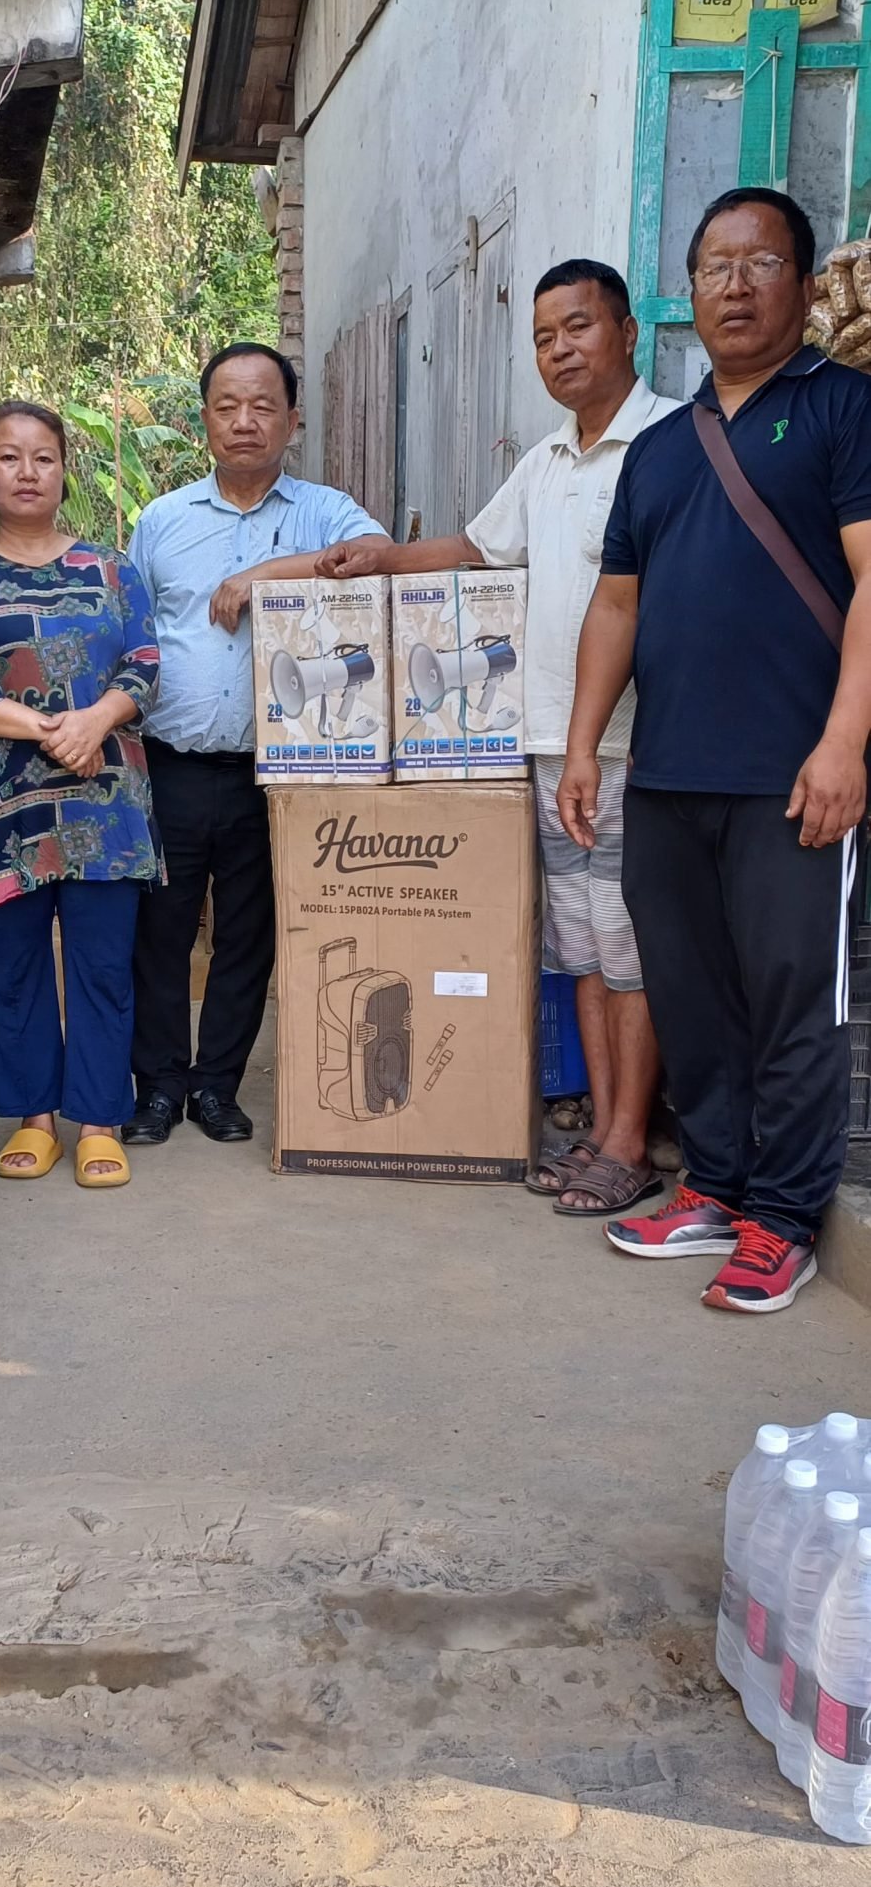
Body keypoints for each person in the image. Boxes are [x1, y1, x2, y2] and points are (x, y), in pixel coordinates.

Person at [559, 187, 871, 1314]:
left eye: (762, 263)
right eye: (713, 267)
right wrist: (585, 747)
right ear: (687, 291)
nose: (735, 286)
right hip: (668, 774)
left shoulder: (843, 410)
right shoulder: (659, 450)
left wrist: (846, 742)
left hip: (795, 777)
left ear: (804, 284)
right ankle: (719, 1187)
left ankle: (782, 1220)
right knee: (692, 996)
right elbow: (616, 605)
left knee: (793, 1003)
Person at [319, 260, 676, 1216]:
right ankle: (605, 1132)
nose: (560, 351)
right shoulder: (548, 458)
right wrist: (389, 557)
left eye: (579, 328)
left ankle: (631, 1138)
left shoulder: (669, 443)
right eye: (544, 337)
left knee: (632, 946)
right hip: (552, 744)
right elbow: (481, 548)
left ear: (628, 333)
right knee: (581, 944)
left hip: (634, 745)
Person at [124, 341, 388, 1146]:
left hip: (275, 774)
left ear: (292, 420)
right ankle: (159, 1087)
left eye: (263, 406)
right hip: (170, 764)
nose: (245, 421)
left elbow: (377, 559)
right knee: (160, 935)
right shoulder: (163, 521)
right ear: (205, 419)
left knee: (249, 935)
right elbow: (132, 635)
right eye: (228, 406)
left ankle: (216, 1088)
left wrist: (267, 574)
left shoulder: (324, 512)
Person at [0, 401, 160, 1188]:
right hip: (2, 813)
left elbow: (145, 663)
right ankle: (34, 1118)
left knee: (103, 967)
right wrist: (52, 728)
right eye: (9, 456)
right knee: (13, 968)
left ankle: (99, 1120)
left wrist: (96, 720)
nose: (28, 472)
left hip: (104, 804)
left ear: (63, 470)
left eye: (44, 457)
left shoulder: (113, 569)